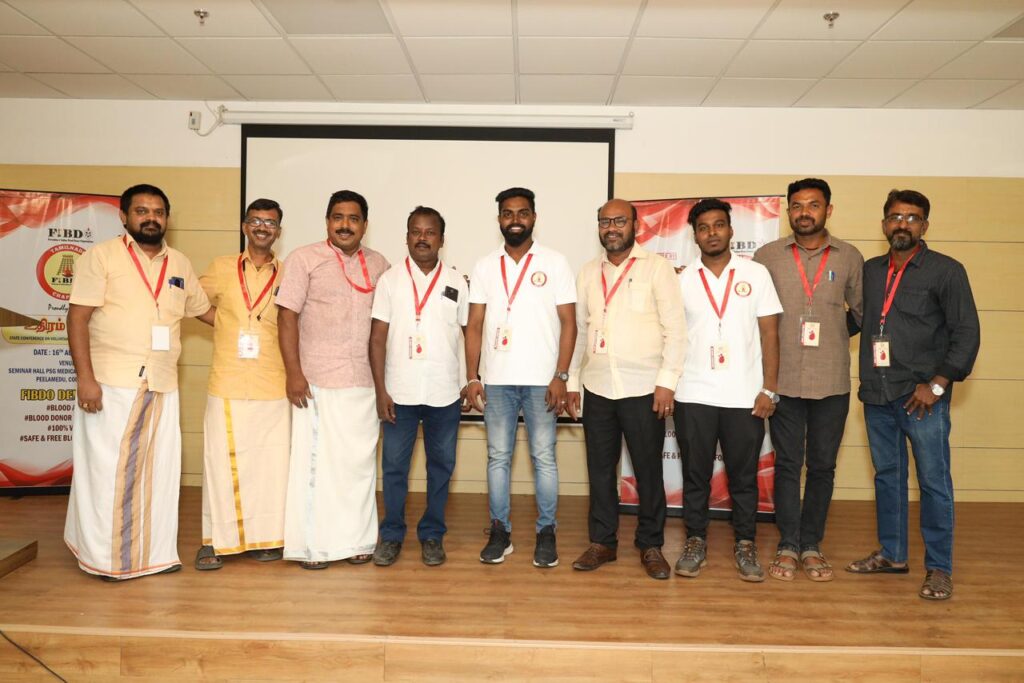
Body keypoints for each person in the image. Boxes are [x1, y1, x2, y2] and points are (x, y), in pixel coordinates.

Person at [65, 183, 213, 580]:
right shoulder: (101, 257)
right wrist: (85, 379)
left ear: (167, 218)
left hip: (162, 383)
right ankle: (105, 558)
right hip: (111, 383)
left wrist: (260, 325)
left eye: (158, 212)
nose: (151, 218)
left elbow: (207, 312)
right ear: (124, 216)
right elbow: (77, 319)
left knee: (159, 473)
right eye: (142, 211)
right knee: (108, 473)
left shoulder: (179, 263)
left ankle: (154, 555)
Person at [846, 189, 980, 601]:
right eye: (895, 217)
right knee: (888, 478)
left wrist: (937, 385)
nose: (902, 224)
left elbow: (966, 333)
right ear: (884, 224)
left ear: (925, 226)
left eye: (912, 217)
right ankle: (893, 554)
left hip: (922, 398)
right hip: (877, 393)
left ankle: (939, 568)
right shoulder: (871, 271)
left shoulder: (946, 271)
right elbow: (856, 322)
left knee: (934, 482)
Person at [566, 199, 686, 580]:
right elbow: (580, 331)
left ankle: (650, 545)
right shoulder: (587, 272)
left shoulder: (657, 268)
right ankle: (603, 542)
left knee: (648, 471)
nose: (612, 228)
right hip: (598, 386)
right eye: (605, 222)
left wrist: (667, 382)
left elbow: (676, 330)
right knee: (600, 471)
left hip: (644, 389)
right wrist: (572, 380)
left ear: (636, 225)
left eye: (620, 221)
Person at [753, 178, 864, 582]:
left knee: (821, 467)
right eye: (797, 205)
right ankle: (788, 543)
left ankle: (811, 544)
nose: (804, 213)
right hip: (782, 380)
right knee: (786, 465)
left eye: (813, 205)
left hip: (831, 381)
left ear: (828, 210)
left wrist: (831, 335)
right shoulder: (766, 257)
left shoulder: (850, 257)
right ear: (788, 211)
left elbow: (861, 313)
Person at [276, 190, 389, 570]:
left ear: (365, 225)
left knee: (359, 467)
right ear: (327, 221)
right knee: (317, 468)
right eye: (338, 217)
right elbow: (286, 317)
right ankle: (315, 547)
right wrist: (294, 373)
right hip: (316, 381)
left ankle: (358, 541)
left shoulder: (380, 264)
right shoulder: (303, 259)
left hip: (364, 382)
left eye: (353, 218)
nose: (345, 225)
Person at [465, 187, 576, 568]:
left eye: (522, 213)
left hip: (543, 381)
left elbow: (569, 323)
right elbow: (474, 324)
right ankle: (500, 532)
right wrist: (472, 376)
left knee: (544, 458)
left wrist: (562, 375)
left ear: (534, 217)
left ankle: (547, 532)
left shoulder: (555, 262)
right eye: (508, 213)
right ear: (499, 219)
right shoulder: (485, 265)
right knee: (498, 458)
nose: (515, 220)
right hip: (497, 381)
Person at [673, 198, 782, 583]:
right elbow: (671, 337)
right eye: (703, 228)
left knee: (743, 477)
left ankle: (745, 543)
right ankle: (695, 540)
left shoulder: (756, 274)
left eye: (719, 225)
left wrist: (770, 389)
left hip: (744, 395)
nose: (712, 233)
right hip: (692, 393)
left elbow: (770, 334)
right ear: (695, 236)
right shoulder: (681, 280)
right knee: (695, 476)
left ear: (731, 230)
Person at [369, 206, 469, 567]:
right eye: (416, 231)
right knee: (394, 468)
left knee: (441, 468)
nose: (422, 238)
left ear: (441, 239)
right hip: (400, 392)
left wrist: (469, 381)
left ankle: (432, 535)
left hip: (445, 392)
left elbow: (467, 335)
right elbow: (376, 338)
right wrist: (380, 390)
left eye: (430, 232)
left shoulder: (457, 282)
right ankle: (392, 535)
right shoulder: (389, 280)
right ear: (407, 237)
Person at [195, 198, 289, 571]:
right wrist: (223, 322)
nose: (263, 227)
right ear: (245, 226)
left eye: (270, 223)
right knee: (220, 463)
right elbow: (193, 302)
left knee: (269, 465)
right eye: (256, 221)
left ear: (278, 231)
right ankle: (215, 541)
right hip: (228, 379)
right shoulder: (221, 267)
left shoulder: (289, 273)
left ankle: (267, 539)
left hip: (273, 380)